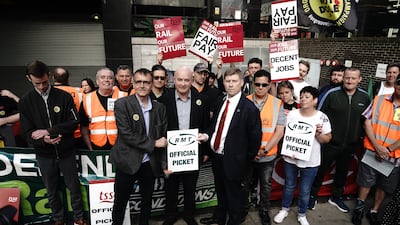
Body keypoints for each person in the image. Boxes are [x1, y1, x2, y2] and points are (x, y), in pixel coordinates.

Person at [19, 60, 86, 225]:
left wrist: (49, 131)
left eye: (44, 82)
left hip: (66, 152)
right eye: (37, 83)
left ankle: (79, 218)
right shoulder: (26, 101)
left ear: (48, 76)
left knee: (74, 188)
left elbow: (74, 122)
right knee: (51, 190)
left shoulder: (63, 96)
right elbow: (27, 133)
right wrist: (44, 140)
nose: (42, 86)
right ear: (29, 79)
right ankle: (58, 219)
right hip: (44, 154)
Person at [198, 68, 262, 225]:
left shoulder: (249, 108)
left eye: (234, 81)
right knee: (220, 191)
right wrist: (206, 136)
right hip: (217, 157)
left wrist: (244, 160)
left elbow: (255, 139)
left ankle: (233, 221)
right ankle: (219, 218)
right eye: (228, 81)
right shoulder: (220, 101)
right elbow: (215, 126)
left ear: (241, 83)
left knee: (234, 196)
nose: (230, 85)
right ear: (224, 83)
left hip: (235, 161)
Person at [108, 68, 168, 225]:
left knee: (147, 201)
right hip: (127, 162)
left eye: (146, 82)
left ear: (151, 84)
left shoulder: (160, 108)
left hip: (149, 163)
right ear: (133, 83)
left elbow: (162, 136)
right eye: (139, 82)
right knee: (120, 202)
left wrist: (164, 164)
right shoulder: (122, 104)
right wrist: (153, 143)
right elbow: (126, 134)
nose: (142, 85)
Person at [309, 67, 370, 213]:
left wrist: (360, 136)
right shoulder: (331, 94)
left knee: (342, 172)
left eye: (353, 78)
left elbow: (367, 120)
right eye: (347, 77)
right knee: (320, 170)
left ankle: (336, 197)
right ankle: (312, 195)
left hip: (351, 144)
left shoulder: (365, 97)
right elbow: (319, 115)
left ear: (359, 80)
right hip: (331, 142)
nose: (349, 81)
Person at [273, 86, 332, 225]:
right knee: (289, 185)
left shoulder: (322, 117)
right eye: (302, 96)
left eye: (307, 97)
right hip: (291, 158)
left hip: (311, 161)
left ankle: (302, 214)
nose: (303, 99)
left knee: (305, 190)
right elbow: (286, 134)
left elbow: (328, 139)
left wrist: (318, 134)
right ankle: (284, 209)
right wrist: (289, 150)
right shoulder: (292, 114)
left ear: (315, 100)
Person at [162, 66, 211, 225]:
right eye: (180, 80)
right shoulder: (164, 100)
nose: (183, 83)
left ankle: (189, 214)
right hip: (172, 153)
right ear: (173, 80)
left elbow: (206, 126)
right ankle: (171, 215)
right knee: (171, 187)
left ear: (192, 81)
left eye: (186, 80)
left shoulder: (201, 100)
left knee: (190, 186)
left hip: (193, 152)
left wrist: (205, 148)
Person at [351, 74, 400, 225]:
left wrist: (388, 149)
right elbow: (367, 121)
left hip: (394, 156)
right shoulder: (379, 99)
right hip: (372, 151)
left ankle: (374, 210)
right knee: (365, 182)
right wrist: (377, 147)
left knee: (383, 186)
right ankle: (359, 209)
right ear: (396, 85)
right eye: (399, 84)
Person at [246, 70, 286, 225]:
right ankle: (243, 209)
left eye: (264, 84)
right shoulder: (245, 101)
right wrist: (252, 151)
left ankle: (264, 211)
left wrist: (263, 151)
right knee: (245, 183)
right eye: (257, 84)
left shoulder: (277, 103)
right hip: (249, 155)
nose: (260, 87)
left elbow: (279, 131)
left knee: (265, 185)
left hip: (267, 155)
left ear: (270, 85)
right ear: (253, 84)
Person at [79, 67, 127, 150]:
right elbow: (84, 126)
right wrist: (90, 147)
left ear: (114, 81)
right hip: (96, 147)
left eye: (110, 78)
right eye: (103, 77)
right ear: (97, 81)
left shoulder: (124, 97)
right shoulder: (87, 99)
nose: (106, 80)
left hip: (120, 147)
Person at [52, 67, 85, 149]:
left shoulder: (48, 93)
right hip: (77, 135)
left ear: (53, 78)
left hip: (55, 135)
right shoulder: (80, 92)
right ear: (68, 79)